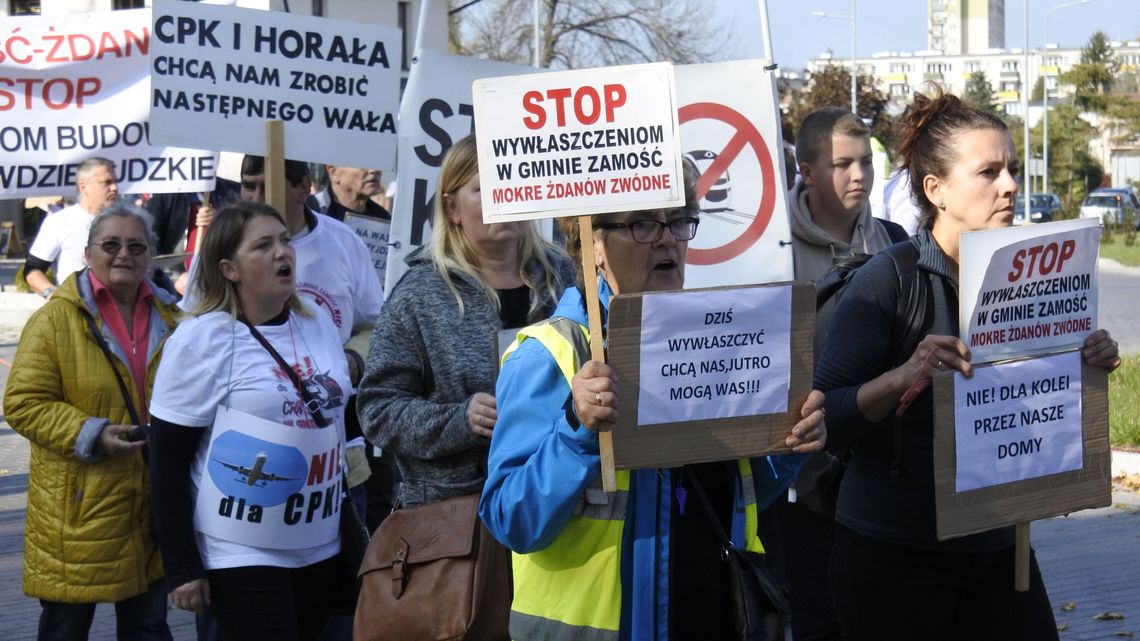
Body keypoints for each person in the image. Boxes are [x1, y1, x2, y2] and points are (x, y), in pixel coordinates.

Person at [814, 89, 1123, 641]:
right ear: (937, 190)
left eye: (1011, 170)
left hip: (1002, 547)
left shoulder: (1032, 270)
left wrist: (1085, 364)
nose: (1009, 186)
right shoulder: (888, 280)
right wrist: (904, 375)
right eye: (988, 172)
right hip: (894, 557)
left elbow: (1035, 402)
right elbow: (825, 419)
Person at [478, 159, 828, 641]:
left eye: (680, 221)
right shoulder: (550, 354)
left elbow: (741, 498)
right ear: (593, 245)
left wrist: (787, 445)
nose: (667, 239)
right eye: (643, 223)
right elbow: (510, 520)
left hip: (718, 616)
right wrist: (576, 432)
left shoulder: (711, 338)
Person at [147, 202, 354, 639]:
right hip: (242, 552)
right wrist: (182, 566)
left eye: (284, 241)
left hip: (321, 545)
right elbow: (166, 460)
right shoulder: (201, 340)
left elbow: (338, 420)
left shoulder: (314, 322)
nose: (283, 253)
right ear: (229, 268)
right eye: (263, 245)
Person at [357, 133, 574, 510]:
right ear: (452, 208)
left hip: (558, 503)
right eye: (486, 188)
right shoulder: (419, 294)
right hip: (456, 520)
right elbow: (378, 411)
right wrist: (461, 420)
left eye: (512, 181)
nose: (504, 197)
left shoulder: (566, 281)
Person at [4, 205, 179, 641]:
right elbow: (23, 402)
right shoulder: (53, 321)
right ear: (87, 253)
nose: (124, 254)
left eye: (136, 246)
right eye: (111, 244)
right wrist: (91, 432)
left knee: (148, 627)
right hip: (78, 511)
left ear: (151, 255)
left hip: (151, 504)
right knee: (65, 629)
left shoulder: (176, 320)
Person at [769, 106, 909, 641]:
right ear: (805, 170)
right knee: (817, 623)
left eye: (867, 162)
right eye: (842, 164)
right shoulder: (770, 249)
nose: (859, 176)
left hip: (879, 481)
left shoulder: (896, 243)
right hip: (798, 483)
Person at [25, 157, 120, 298]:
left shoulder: (128, 222)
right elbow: (33, 270)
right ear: (83, 187)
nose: (114, 188)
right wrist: (51, 294)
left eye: (115, 182)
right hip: (78, 310)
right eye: (107, 182)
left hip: (122, 310)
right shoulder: (59, 221)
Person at [314, 165, 391, 223]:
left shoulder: (384, 219)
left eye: (377, 163)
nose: (374, 170)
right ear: (334, 172)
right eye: (363, 163)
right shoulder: (310, 212)